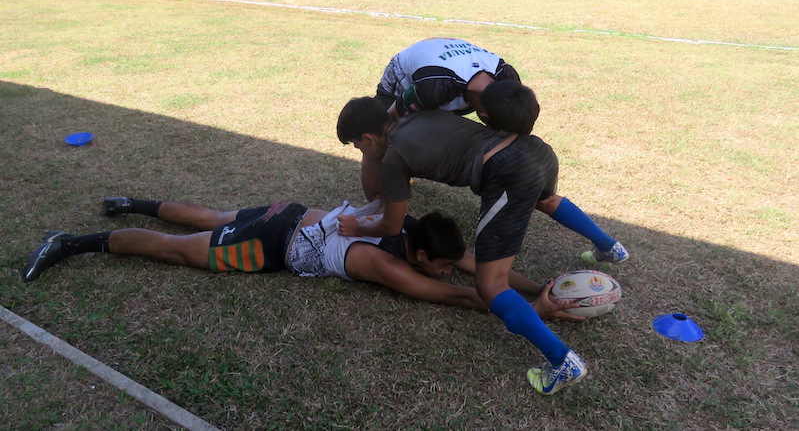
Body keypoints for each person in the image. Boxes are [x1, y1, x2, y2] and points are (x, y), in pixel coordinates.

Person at [336, 97, 630, 395]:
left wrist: (357, 227)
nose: (362, 153)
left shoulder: (393, 156)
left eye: (358, 147)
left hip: (508, 171)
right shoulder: (415, 115)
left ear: (368, 138)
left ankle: (561, 360)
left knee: (490, 284)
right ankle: (608, 247)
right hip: (537, 151)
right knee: (546, 200)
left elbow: (391, 225)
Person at [20, 197, 578, 321]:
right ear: (422, 254)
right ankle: (72, 242)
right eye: (439, 264)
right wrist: (533, 313)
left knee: (212, 216)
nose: (447, 268)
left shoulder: (406, 224)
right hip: (271, 244)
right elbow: (458, 294)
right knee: (177, 251)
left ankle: (132, 202)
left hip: (289, 212)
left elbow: (479, 270)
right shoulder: (383, 263)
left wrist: (535, 287)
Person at [374, 38, 537, 134]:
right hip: (404, 75)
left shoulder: (508, 78)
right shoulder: (434, 87)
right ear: (485, 116)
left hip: (450, 76)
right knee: (382, 130)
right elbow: (392, 116)